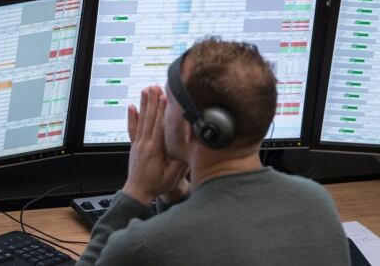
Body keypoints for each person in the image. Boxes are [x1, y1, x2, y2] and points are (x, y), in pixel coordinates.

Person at [78, 38, 350, 266]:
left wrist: (136, 190)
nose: (161, 115)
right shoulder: (316, 202)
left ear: (200, 128)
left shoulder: (143, 247)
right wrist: (174, 192)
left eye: (168, 103)